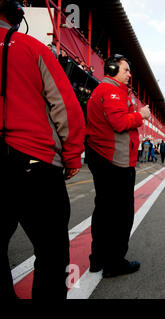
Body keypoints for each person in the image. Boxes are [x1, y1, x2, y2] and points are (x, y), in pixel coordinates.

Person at [0, 0, 85, 299]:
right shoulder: (32, 48)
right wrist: (72, 154)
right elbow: (65, 105)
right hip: (32, 162)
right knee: (51, 253)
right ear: (15, 14)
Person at [85, 54, 150, 278]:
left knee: (103, 211)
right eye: (126, 70)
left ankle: (98, 258)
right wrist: (140, 115)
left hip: (106, 159)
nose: (130, 74)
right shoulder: (111, 91)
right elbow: (120, 123)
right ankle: (114, 263)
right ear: (112, 69)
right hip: (115, 162)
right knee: (120, 215)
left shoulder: (107, 90)